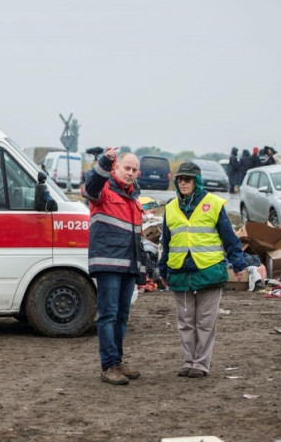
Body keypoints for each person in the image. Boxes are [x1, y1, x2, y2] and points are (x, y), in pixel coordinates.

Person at [157, 162, 246, 378]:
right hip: (180, 272)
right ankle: (188, 361)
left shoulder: (213, 204)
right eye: (180, 179)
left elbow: (229, 237)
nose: (183, 183)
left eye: (187, 179)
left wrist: (238, 264)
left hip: (209, 271)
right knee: (186, 322)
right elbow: (166, 243)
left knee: (205, 322)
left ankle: (200, 364)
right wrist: (162, 269)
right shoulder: (170, 208)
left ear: (196, 181)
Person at [81, 148, 145, 386]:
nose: (130, 173)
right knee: (108, 315)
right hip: (108, 264)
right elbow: (90, 187)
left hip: (128, 266)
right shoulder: (103, 190)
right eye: (126, 168)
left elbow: (135, 237)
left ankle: (117, 361)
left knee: (121, 316)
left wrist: (142, 270)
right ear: (115, 169)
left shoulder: (133, 198)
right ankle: (108, 366)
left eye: (134, 170)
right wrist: (104, 162)